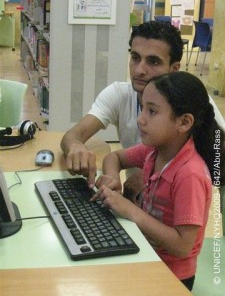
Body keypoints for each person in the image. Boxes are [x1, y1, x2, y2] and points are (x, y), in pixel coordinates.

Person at [92, 71, 225, 291]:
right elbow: (113, 157)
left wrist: (131, 211)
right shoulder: (154, 151)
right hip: (146, 255)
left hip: (172, 277)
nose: (140, 119)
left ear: (184, 122)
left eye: (152, 111)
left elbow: (183, 246)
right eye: (142, 107)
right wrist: (113, 177)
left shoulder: (189, 174)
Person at [60, 21, 225, 196]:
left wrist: (152, 174)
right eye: (135, 58)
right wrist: (76, 147)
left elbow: (218, 154)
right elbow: (73, 135)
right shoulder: (119, 94)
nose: (139, 70)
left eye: (153, 61)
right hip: (143, 203)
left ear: (174, 68)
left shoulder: (191, 99)